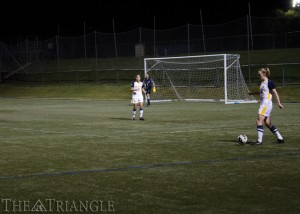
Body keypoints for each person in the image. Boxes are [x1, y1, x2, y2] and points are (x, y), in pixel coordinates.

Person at [249, 68, 284, 145]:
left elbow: (275, 93)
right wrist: (252, 94)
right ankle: (280, 138)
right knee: (267, 123)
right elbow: (262, 93)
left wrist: (279, 103)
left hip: (266, 104)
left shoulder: (269, 82)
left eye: (259, 74)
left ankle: (259, 141)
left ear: (264, 74)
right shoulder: (262, 83)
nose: (258, 76)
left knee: (259, 121)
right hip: (265, 103)